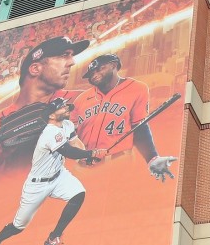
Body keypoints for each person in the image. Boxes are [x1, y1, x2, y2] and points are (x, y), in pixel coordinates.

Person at [0, 36, 90, 181]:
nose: (72, 62)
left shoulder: (81, 102)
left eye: (71, 56)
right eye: (64, 55)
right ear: (35, 69)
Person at [0, 97, 105, 245]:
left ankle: (54, 238)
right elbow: (68, 152)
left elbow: (75, 144)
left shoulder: (67, 125)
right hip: (37, 184)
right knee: (19, 226)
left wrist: (86, 157)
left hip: (59, 175)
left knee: (78, 194)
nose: (67, 109)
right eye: (63, 107)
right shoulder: (50, 133)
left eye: (67, 106)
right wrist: (92, 153)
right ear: (52, 115)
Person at [72, 53, 177, 181]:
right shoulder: (81, 99)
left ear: (113, 65)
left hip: (117, 162)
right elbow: (71, 133)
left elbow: (139, 127)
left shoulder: (137, 88)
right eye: (91, 74)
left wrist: (152, 158)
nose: (94, 75)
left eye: (99, 69)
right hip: (82, 166)